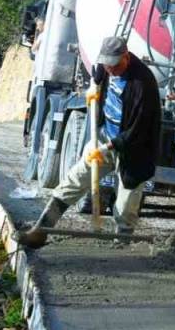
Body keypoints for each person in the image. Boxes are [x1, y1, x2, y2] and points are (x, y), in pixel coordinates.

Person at [14, 36, 161, 246]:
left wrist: (106, 147)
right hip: (105, 135)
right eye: (107, 65)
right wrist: (94, 87)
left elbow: (138, 131)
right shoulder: (105, 67)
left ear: (126, 58)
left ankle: (122, 242)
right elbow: (97, 74)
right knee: (74, 180)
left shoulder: (142, 84)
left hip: (134, 149)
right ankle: (41, 229)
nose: (111, 70)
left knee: (126, 202)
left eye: (115, 66)